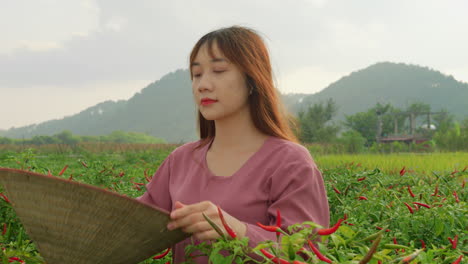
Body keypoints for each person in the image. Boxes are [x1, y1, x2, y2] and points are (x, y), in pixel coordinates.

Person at [137, 26, 329, 263]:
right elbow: (131, 226)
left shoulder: (290, 162)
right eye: (196, 74)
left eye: (218, 70)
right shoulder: (180, 160)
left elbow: (305, 254)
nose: (202, 85)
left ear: (252, 80)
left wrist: (238, 231)